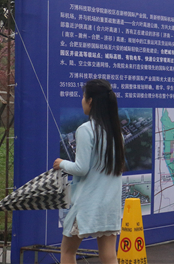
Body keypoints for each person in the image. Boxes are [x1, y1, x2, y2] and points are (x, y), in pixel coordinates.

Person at [53, 79, 125, 264]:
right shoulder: (117, 132)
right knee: (109, 255)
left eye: (83, 96)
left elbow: (81, 168)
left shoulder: (86, 130)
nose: (82, 100)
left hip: (87, 204)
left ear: (90, 100)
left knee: (67, 251)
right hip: (110, 205)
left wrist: (62, 163)